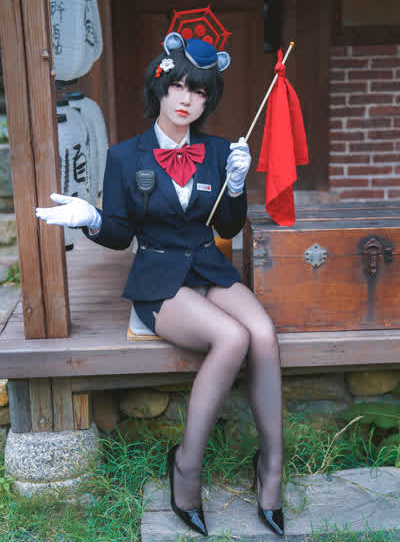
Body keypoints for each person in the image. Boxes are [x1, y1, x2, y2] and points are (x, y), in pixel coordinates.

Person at [36, 31, 284, 537]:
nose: (187, 99)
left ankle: (272, 467)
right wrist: (92, 219)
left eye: (200, 92)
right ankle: (187, 466)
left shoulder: (219, 151)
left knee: (263, 333)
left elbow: (227, 225)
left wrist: (237, 185)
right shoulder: (125, 156)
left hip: (208, 268)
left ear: (208, 101)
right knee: (232, 337)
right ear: (161, 87)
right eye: (178, 86)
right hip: (158, 277)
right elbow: (120, 234)